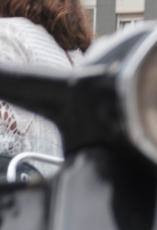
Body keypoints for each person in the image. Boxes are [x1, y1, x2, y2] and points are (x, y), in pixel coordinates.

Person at [0, 0, 91, 175]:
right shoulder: (76, 53)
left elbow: (4, 141)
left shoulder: (7, 34)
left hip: (20, 192)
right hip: (60, 191)